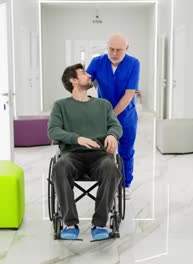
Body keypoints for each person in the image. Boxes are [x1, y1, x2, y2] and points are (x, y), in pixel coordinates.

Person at [48, 63, 123, 241]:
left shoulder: (103, 105)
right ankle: (70, 223)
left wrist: (112, 135)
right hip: (72, 156)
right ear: (73, 80)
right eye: (83, 73)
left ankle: (99, 224)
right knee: (59, 168)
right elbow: (53, 131)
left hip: (100, 155)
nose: (89, 75)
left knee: (111, 169)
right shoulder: (60, 106)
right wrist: (77, 138)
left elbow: (115, 125)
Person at [86, 33, 140, 198]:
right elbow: (85, 82)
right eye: (111, 49)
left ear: (127, 48)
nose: (114, 53)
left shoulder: (133, 63)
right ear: (106, 46)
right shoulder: (97, 62)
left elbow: (129, 93)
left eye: (119, 50)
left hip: (126, 116)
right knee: (105, 151)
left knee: (126, 151)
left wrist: (112, 116)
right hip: (102, 115)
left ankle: (125, 184)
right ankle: (106, 181)